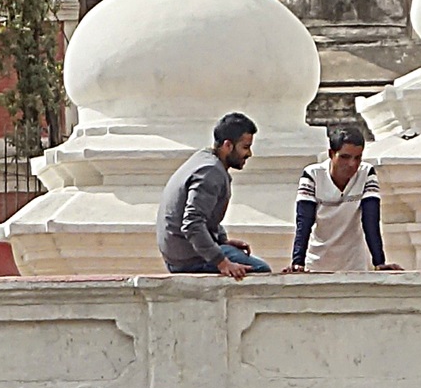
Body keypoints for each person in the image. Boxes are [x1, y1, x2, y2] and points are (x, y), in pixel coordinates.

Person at [158, 112, 271, 276]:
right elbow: (192, 223)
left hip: (179, 253)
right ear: (227, 146)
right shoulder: (210, 172)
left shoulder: (204, 160)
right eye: (245, 147)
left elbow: (206, 215)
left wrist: (221, 241)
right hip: (188, 258)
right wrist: (222, 262)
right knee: (260, 271)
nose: (249, 154)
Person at [291, 129, 395, 271]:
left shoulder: (366, 173)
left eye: (357, 158)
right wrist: (298, 262)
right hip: (317, 262)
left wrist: (379, 262)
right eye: (345, 157)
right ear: (331, 154)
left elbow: (371, 221)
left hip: (354, 262)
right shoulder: (313, 174)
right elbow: (304, 221)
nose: (352, 164)